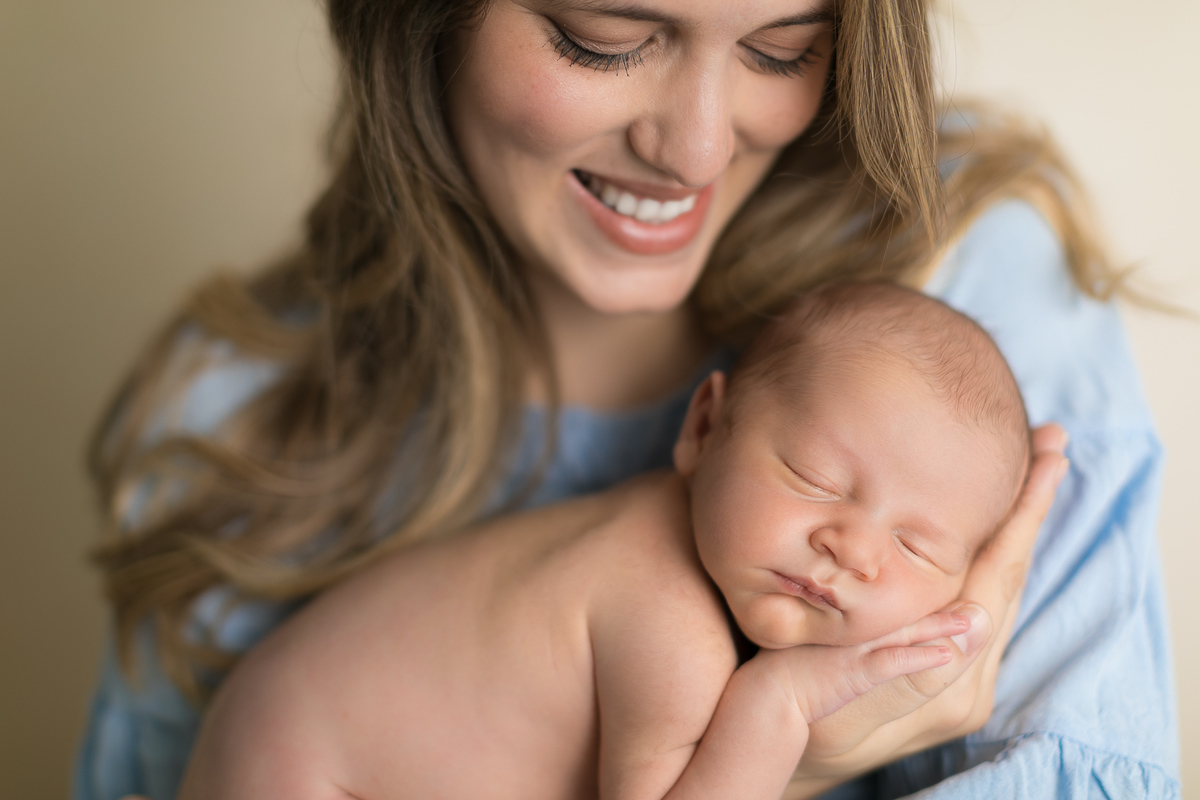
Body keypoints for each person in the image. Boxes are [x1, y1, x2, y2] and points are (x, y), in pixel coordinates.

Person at [74, 1, 1179, 799]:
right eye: (600, 40)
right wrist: (795, 735)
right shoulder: (241, 413)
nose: (693, 146)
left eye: (779, 46)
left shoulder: (967, 277)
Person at [177, 283, 1036, 800]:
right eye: (814, 478)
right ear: (705, 427)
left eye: (919, 549)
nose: (851, 549)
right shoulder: (666, 609)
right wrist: (784, 704)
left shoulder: (652, 534)